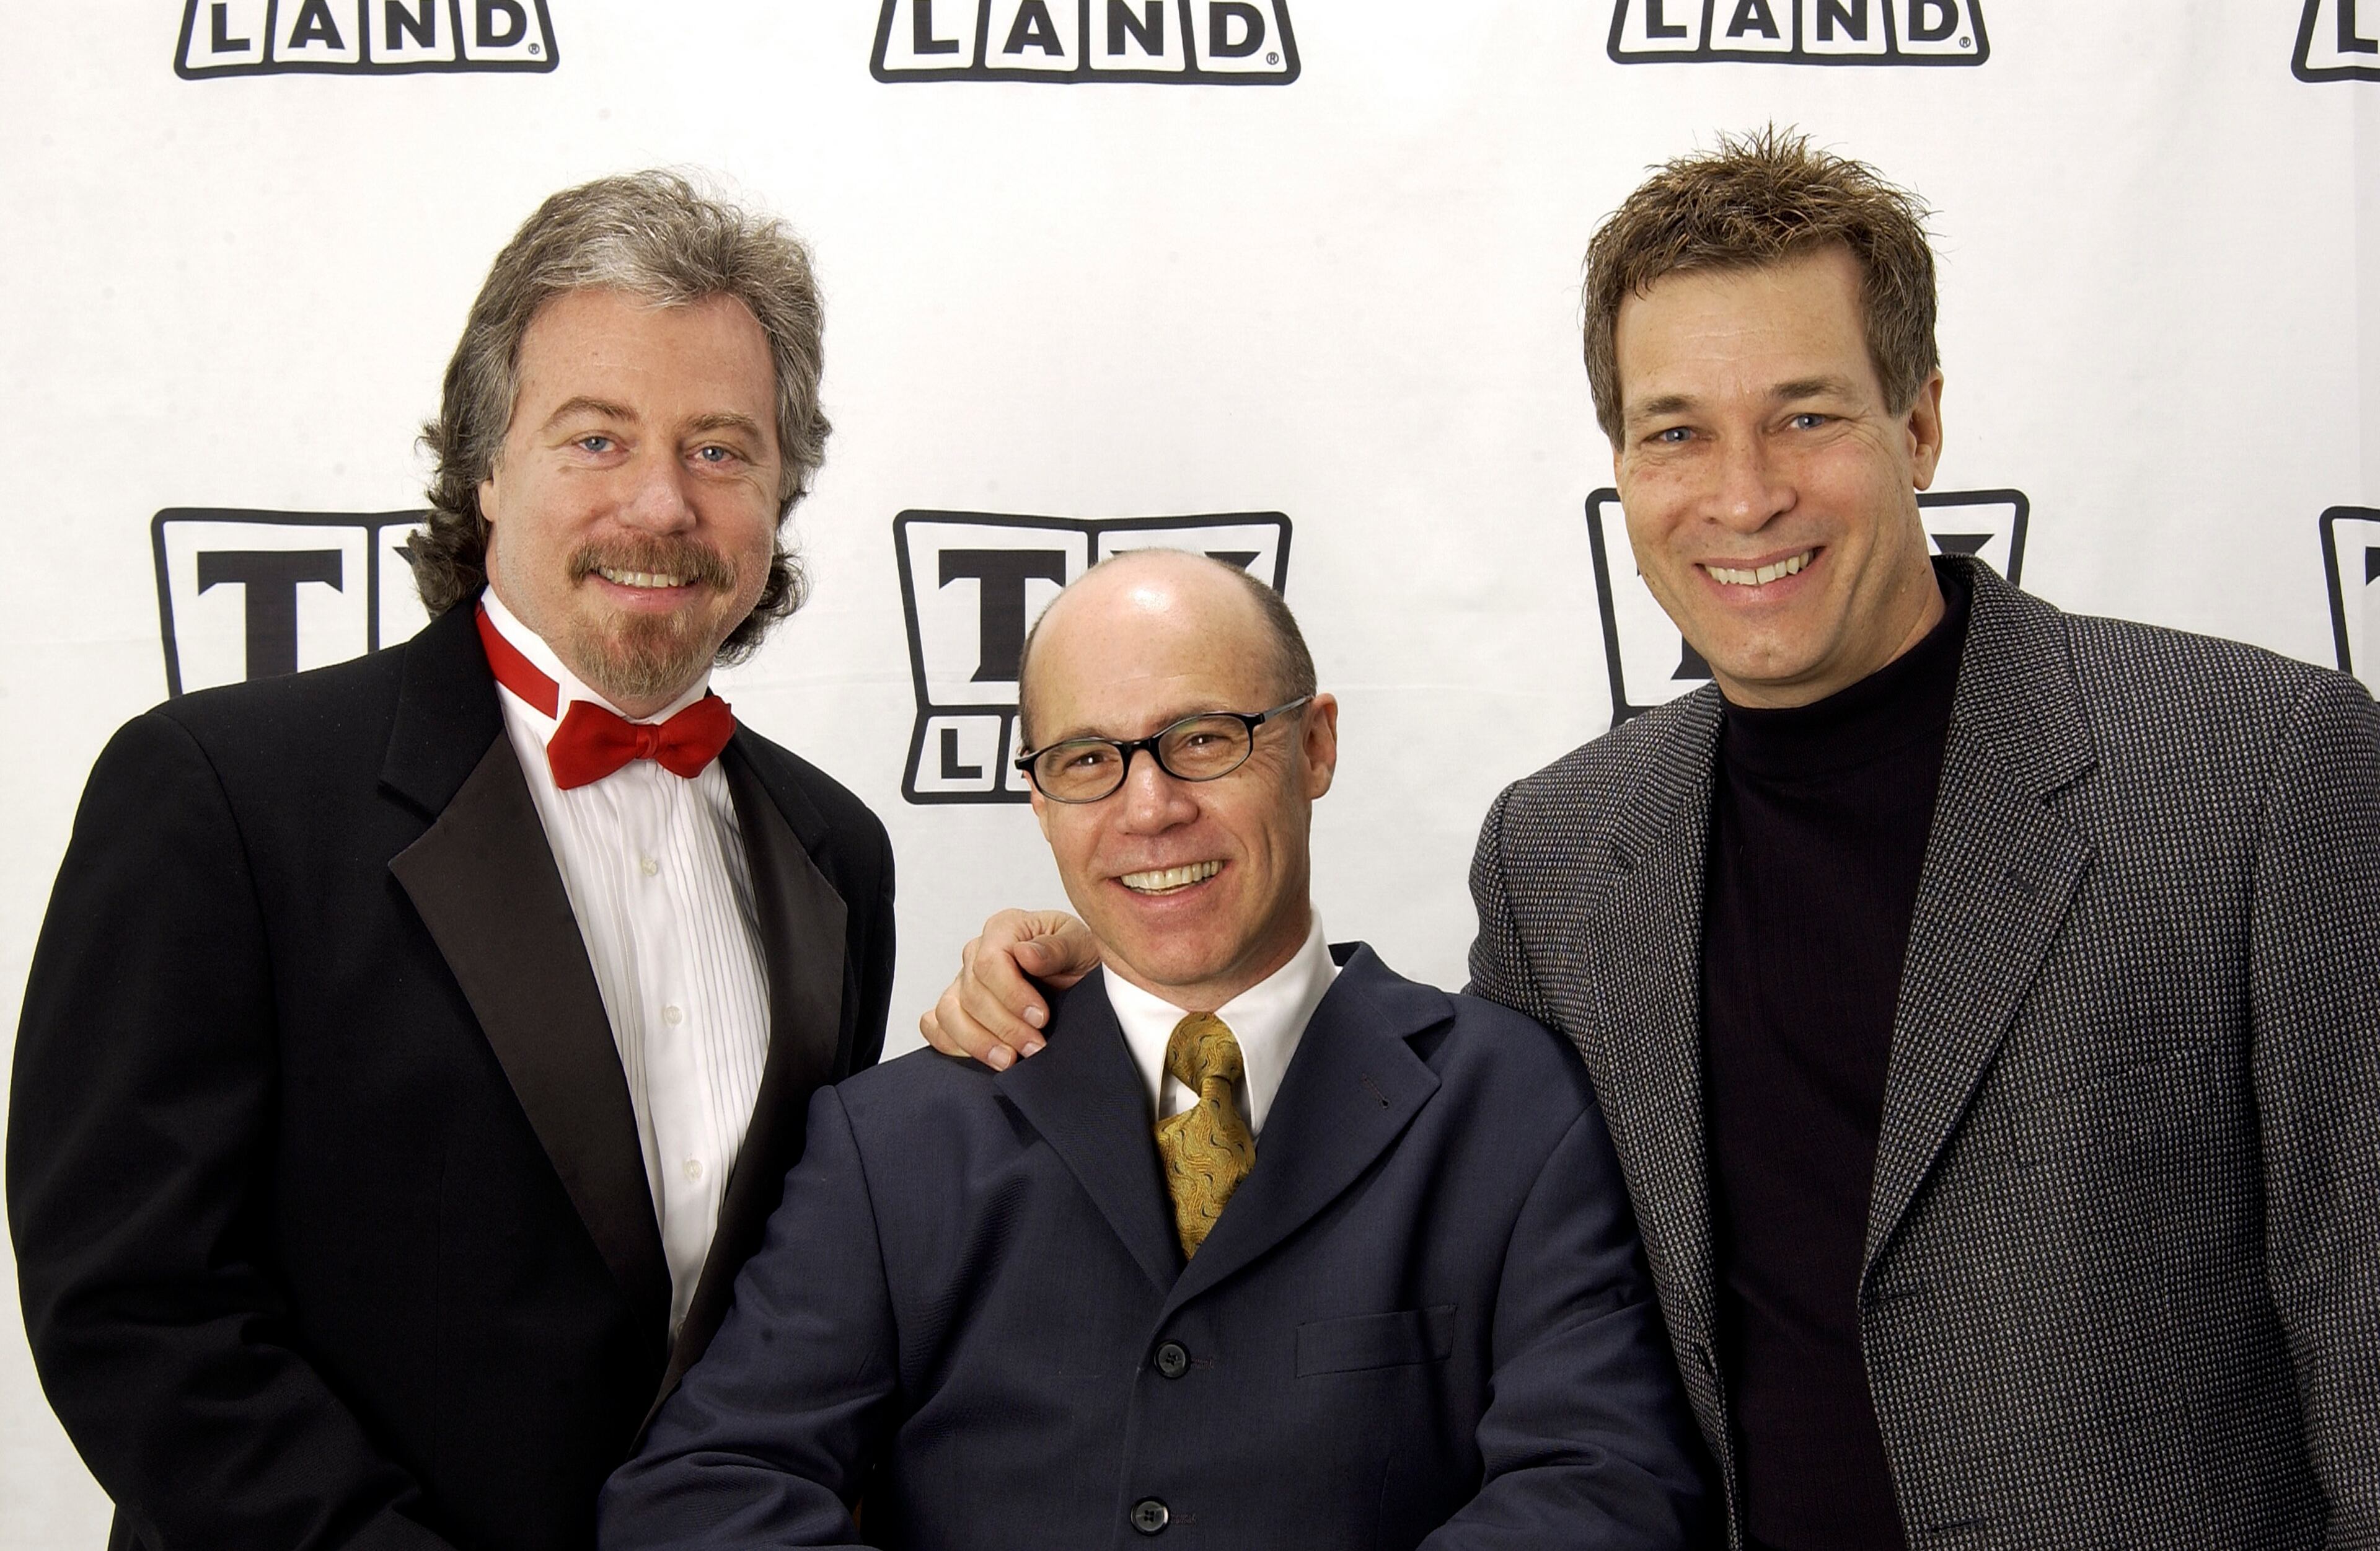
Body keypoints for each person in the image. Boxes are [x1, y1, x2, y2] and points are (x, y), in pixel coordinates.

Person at [920, 130, 2380, 1549]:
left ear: (1921, 423)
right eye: (1677, 432)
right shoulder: (1559, 850)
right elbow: (1423, 1189)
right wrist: (1120, 986)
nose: (1743, 495)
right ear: (1621, 463)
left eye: (1806, 416)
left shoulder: (2258, 771)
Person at [9, 171, 896, 1551]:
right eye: (595, 438)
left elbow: (807, 1313)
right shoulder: (219, 795)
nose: (661, 503)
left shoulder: (839, 851)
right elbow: (132, 1300)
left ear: (781, 490)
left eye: (721, 449)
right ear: (485, 469)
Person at [601, 549, 1708, 1550]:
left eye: (1204, 738)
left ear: (1314, 745)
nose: (1150, 808)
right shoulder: (894, 1141)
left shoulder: (1514, 1105)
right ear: (1039, 799)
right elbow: (704, 1491)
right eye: (1088, 758)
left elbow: (1604, 1482)